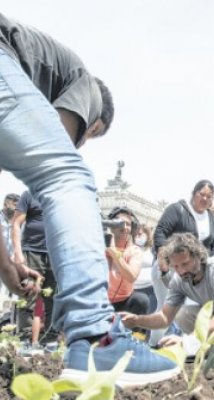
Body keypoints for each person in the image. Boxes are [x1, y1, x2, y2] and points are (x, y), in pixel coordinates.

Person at [0, 13, 177, 385]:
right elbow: (55, 164)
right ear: (94, 118)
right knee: (68, 175)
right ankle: (98, 336)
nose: (81, 141)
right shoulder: (87, 85)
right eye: (90, 134)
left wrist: (6, 265)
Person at [121, 232, 214, 340]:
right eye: (176, 266)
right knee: (182, 314)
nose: (181, 271)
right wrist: (137, 320)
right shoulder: (179, 279)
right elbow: (165, 317)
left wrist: (189, 341)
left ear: (198, 256)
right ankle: (209, 352)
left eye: (185, 264)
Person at [150, 180, 214, 345]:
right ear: (193, 194)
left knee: (189, 310)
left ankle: (186, 347)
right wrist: (163, 261)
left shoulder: (211, 218)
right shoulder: (177, 209)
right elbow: (160, 232)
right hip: (171, 267)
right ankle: (153, 345)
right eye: (201, 194)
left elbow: (210, 246)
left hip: (194, 272)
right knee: (166, 309)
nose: (205, 199)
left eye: (209, 197)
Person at [11, 190, 57, 346]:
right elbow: (16, 223)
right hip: (32, 252)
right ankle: (24, 339)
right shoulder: (29, 194)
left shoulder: (62, 194)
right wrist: (18, 252)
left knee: (54, 298)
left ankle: (51, 339)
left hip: (56, 254)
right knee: (28, 294)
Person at [105, 207, 149, 316]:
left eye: (128, 224)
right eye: (120, 223)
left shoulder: (135, 251)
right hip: (98, 299)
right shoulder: (97, 245)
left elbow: (132, 276)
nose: (124, 227)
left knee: (141, 300)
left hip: (122, 303)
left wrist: (114, 252)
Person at [133, 223, 157, 315]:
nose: (137, 237)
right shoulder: (131, 248)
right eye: (136, 234)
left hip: (150, 289)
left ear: (147, 236)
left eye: (140, 234)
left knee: (148, 317)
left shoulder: (152, 250)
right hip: (133, 289)